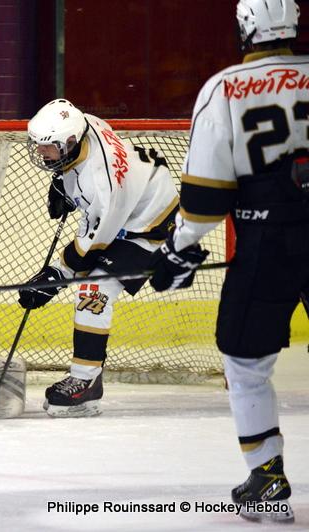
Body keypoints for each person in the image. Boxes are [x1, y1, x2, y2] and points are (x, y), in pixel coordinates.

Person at [148, 0, 306, 523]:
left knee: (244, 361)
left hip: (270, 244)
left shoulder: (225, 89)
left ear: (245, 27)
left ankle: (266, 474)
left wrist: (180, 247)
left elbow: (206, 198)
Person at [21, 98, 179, 418]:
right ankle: (87, 375)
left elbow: (87, 249)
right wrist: (63, 183)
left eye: (46, 147)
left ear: (68, 143)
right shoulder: (86, 123)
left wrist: (52, 278)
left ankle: (86, 381)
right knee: (86, 281)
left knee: (93, 288)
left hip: (150, 227)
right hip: (134, 204)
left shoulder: (102, 185)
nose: (40, 152)